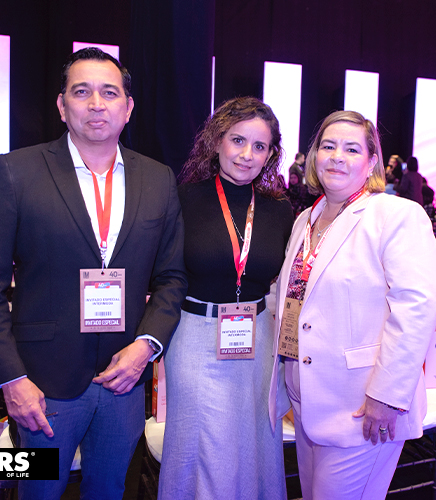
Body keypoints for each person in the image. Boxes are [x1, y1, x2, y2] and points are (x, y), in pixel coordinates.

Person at [0, 48, 187, 499]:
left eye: (110, 93)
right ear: (62, 106)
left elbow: (172, 278)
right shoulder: (16, 171)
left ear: (128, 107)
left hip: (124, 379)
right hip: (41, 383)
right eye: (81, 92)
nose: (96, 104)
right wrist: (11, 379)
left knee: (109, 490)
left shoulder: (158, 178)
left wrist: (146, 347)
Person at [268, 110, 436, 499]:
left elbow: (417, 306)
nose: (337, 157)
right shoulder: (305, 219)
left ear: (372, 161)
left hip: (363, 406)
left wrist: (387, 394)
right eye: (328, 146)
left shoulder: (395, 215)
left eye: (351, 149)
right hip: (308, 401)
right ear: (314, 155)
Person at [159, 96, 294, 500]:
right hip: (195, 335)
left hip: (257, 336)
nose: (247, 155)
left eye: (259, 146)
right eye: (238, 140)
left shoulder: (279, 210)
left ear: (270, 155)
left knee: (256, 437)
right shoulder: (182, 199)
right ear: (216, 141)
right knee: (200, 443)